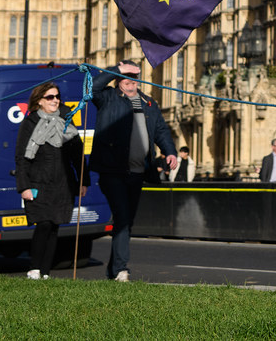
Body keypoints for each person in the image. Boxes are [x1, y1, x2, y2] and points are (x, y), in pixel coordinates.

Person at [89, 59, 176, 282]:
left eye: (134, 78)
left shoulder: (148, 103)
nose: (131, 82)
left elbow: (160, 131)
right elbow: (93, 87)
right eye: (126, 77)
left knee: (125, 221)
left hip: (138, 172)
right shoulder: (108, 97)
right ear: (118, 79)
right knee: (123, 216)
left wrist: (170, 151)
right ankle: (120, 269)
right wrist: (117, 70)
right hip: (113, 169)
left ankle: (114, 269)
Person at [16, 82, 85, 279]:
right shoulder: (30, 123)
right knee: (43, 223)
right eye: (50, 97)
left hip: (63, 182)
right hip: (38, 182)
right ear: (39, 101)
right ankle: (34, 268)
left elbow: (77, 155)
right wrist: (24, 186)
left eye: (57, 97)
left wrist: (83, 180)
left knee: (55, 225)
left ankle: (46, 272)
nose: (55, 100)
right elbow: (21, 157)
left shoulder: (66, 122)